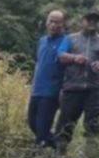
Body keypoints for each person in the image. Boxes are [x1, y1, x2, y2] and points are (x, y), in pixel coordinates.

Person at [55, 7, 99, 154]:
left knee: (94, 123)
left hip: (96, 89)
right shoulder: (70, 39)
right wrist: (75, 58)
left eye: (95, 20)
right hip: (73, 87)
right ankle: (59, 154)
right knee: (66, 122)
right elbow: (60, 55)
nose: (92, 23)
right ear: (82, 21)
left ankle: (91, 156)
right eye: (89, 19)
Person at [28, 10, 70, 149]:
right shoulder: (42, 41)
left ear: (62, 24)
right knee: (32, 122)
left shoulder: (66, 42)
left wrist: (63, 89)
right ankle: (55, 144)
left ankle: (39, 153)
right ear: (47, 23)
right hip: (37, 89)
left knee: (42, 125)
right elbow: (39, 64)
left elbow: (68, 68)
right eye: (51, 21)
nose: (53, 25)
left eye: (57, 22)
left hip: (52, 91)